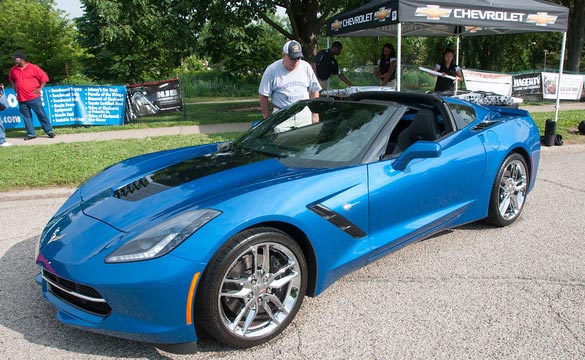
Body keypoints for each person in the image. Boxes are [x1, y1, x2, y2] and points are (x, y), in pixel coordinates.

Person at [259, 40, 321, 121]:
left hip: (303, 114)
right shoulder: (272, 70)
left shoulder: (306, 67)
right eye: (292, 58)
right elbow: (263, 95)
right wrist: (267, 120)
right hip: (281, 115)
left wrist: (315, 114)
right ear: (284, 55)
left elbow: (315, 90)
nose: (296, 61)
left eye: (298, 58)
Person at [8, 52, 55, 140]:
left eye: (15, 59)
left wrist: (40, 88)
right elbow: (11, 79)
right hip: (21, 98)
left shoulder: (33, 67)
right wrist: (15, 87)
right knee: (26, 117)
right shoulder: (13, 70)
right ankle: (31, 133)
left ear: (22, 59)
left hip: (33, 97)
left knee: (41, 114)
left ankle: (49, 131)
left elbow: (44, 78)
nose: (14, 61)